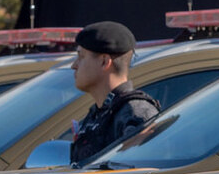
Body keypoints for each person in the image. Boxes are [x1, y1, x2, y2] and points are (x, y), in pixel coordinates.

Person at [68, 22, 159, 165]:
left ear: (104, 61)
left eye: (81, 56)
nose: (74, 65)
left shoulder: (136, 113)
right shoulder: (98, 113)